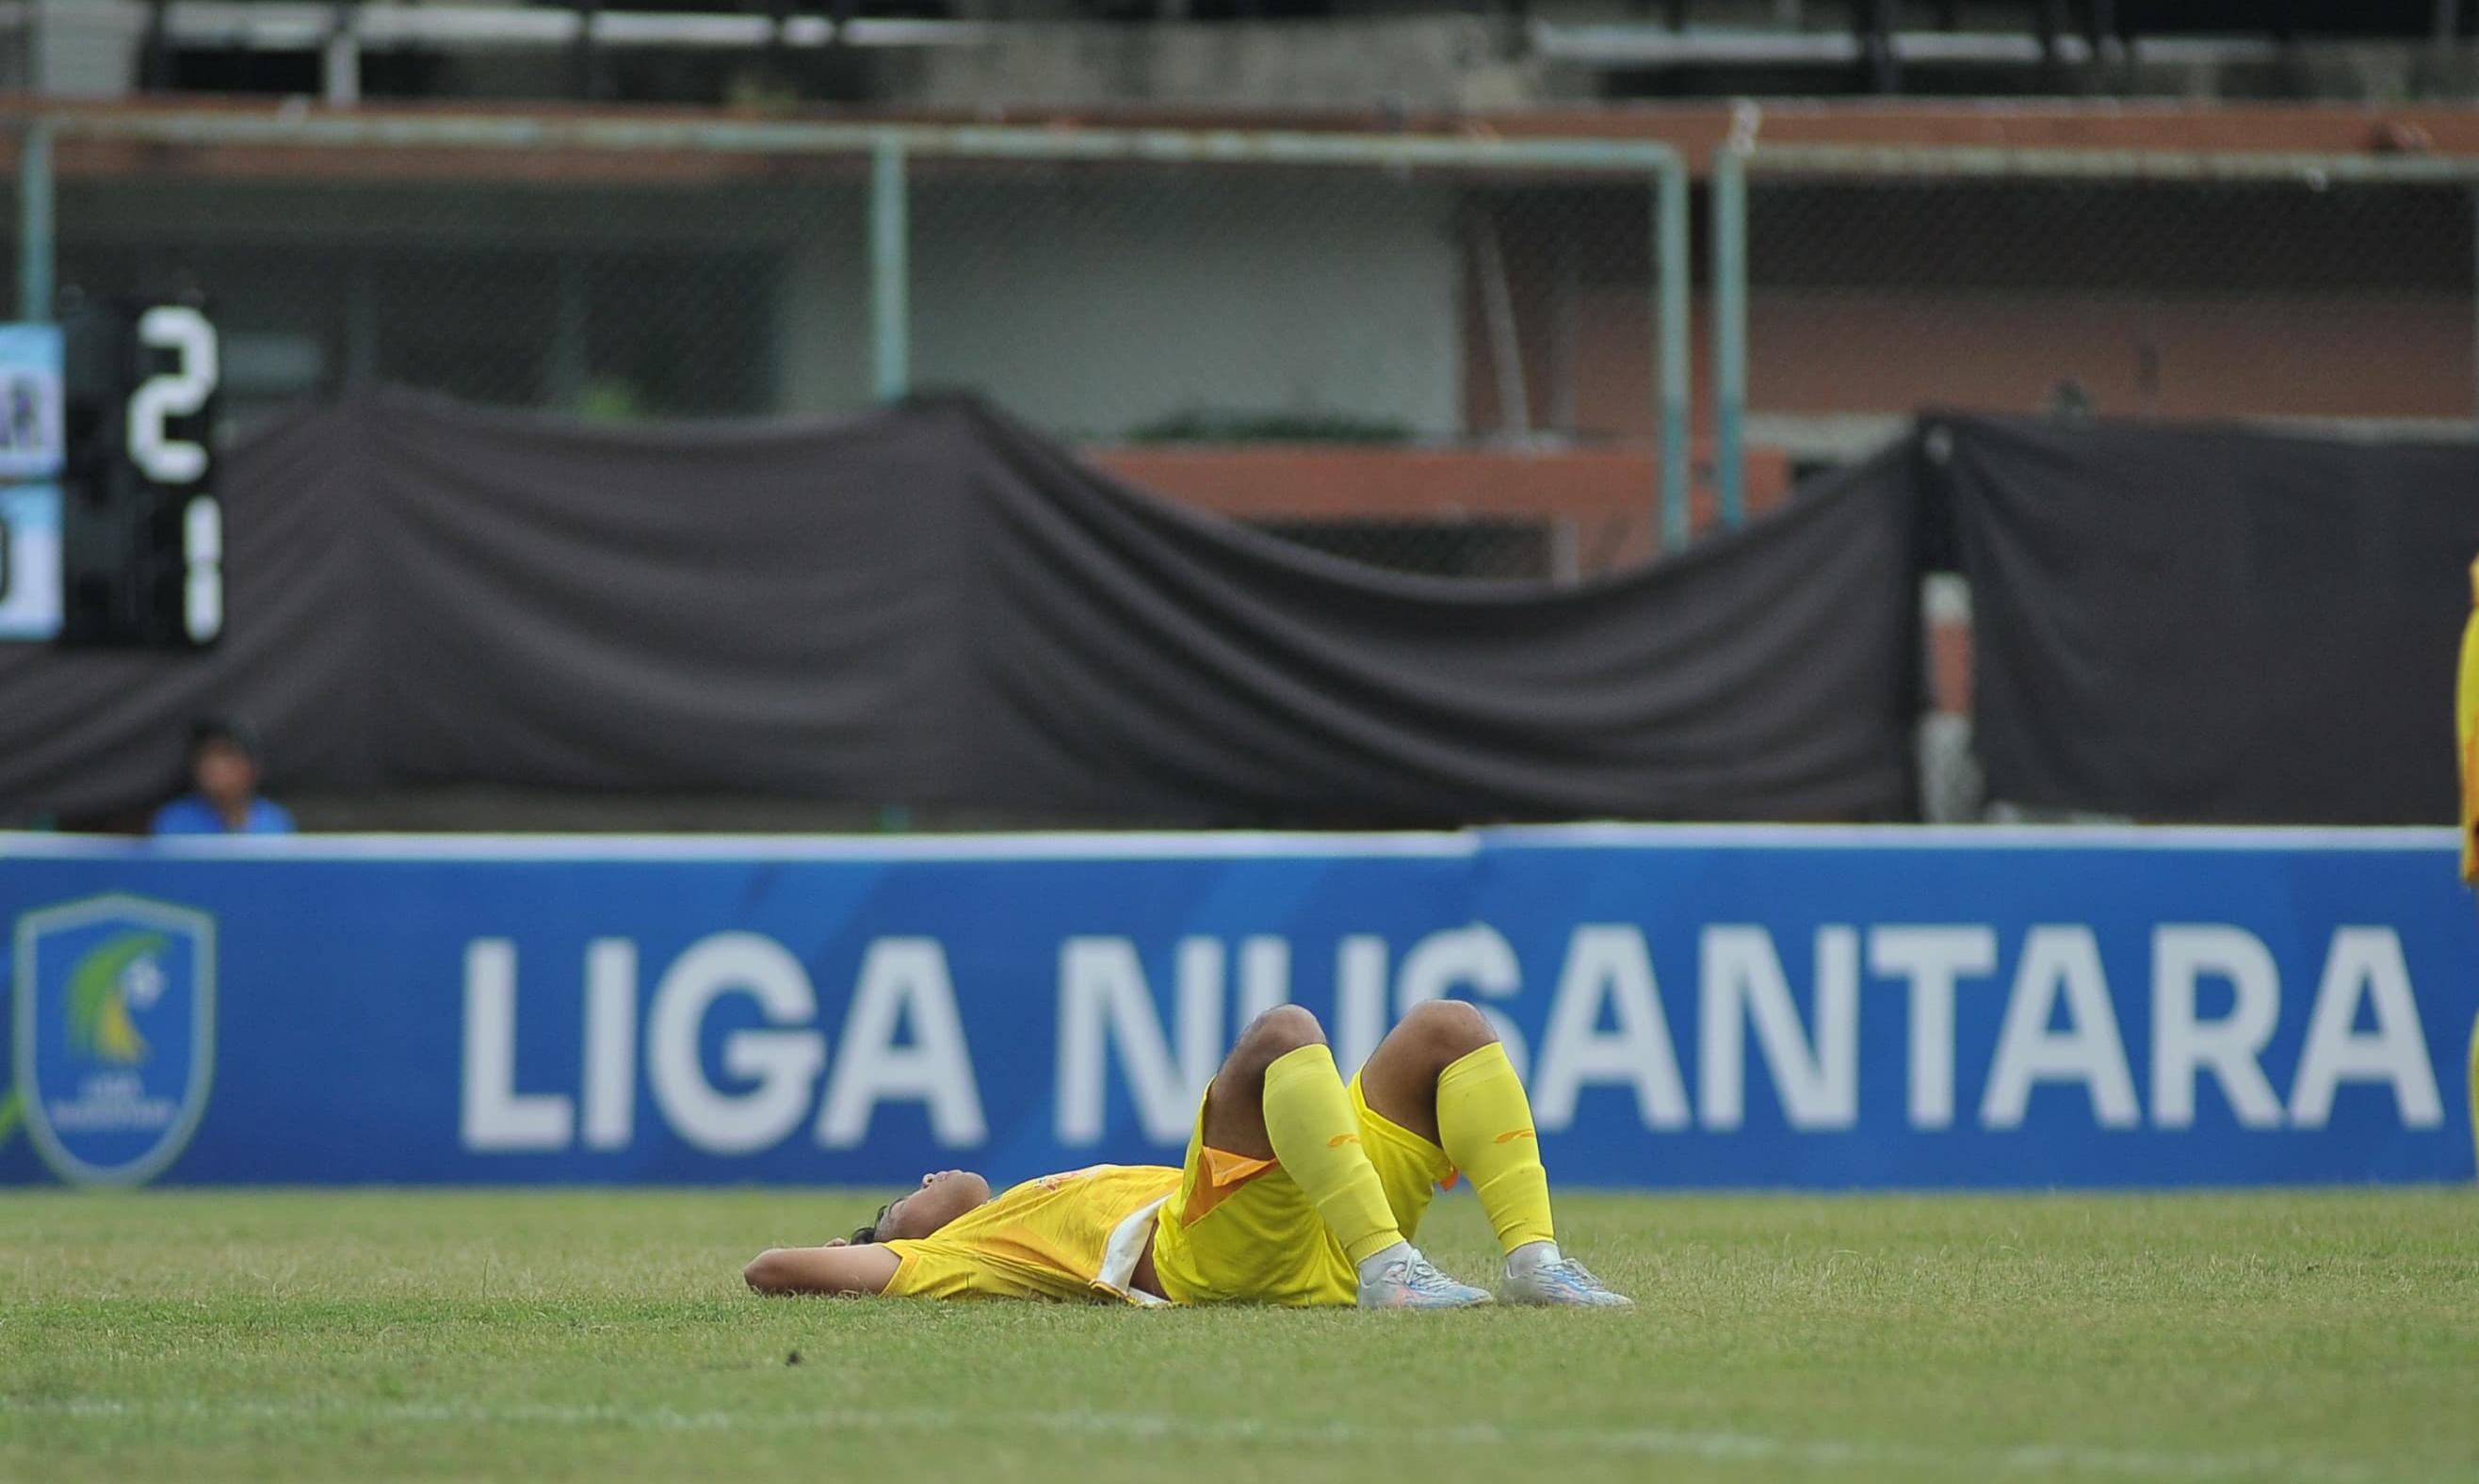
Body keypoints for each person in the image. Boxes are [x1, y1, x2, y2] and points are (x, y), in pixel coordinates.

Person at [743, 1001, 1630, 1310]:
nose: (930, 1179)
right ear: (892, 1239)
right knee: (1284, 1033)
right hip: (1216, 1254)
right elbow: (771, 1267)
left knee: (1449, 1029)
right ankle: (1390, 1269)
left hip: (1322, 1221)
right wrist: (878, 1245)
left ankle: (1535, 1264)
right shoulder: (954, 1255)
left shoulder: (1031, 1194)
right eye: (906, 1198)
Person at [151, 717, 295, 836]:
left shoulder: (275, 820)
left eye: (226, 755)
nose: (212, 766)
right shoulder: (174, 820)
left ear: (254, 767)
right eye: (205, 756)